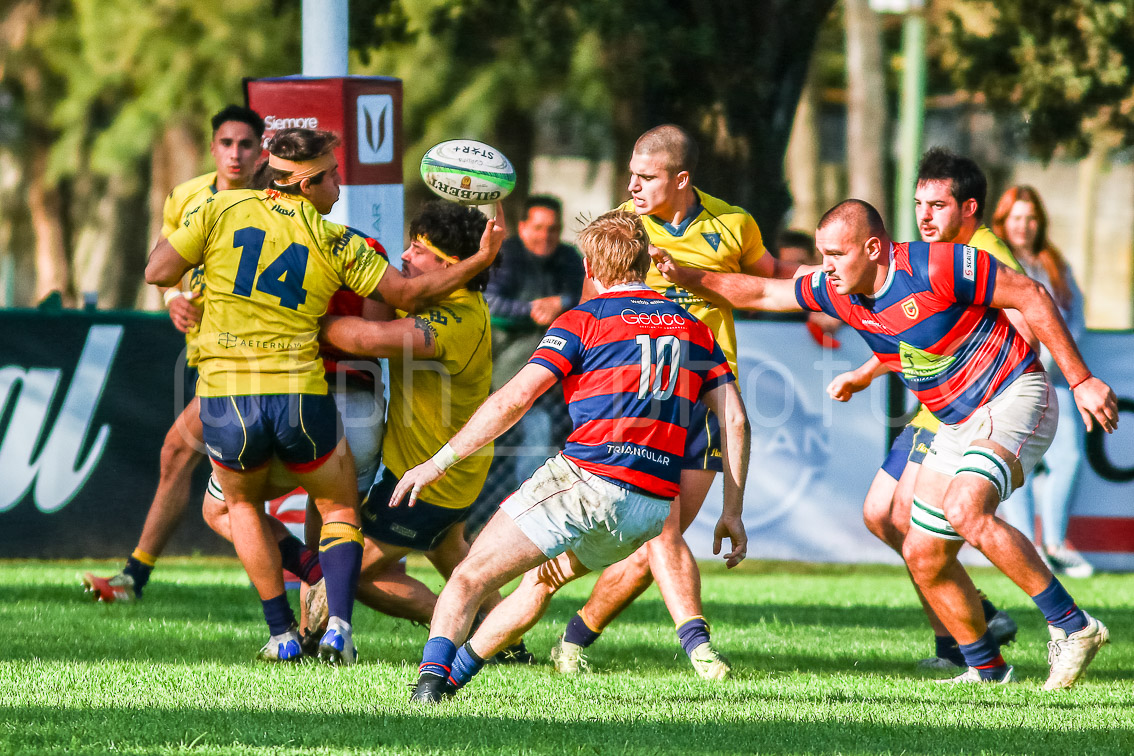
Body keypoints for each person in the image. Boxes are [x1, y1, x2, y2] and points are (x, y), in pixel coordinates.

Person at [654, 199, 1117, 689]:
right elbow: (764, 292)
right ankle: (988, 669)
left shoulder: (936, 265)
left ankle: (1073, 627)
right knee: (921, 552)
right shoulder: (837, 289)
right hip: (955, 420)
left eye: (835, 254)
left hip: (1013, 394)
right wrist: (686, 275)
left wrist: (1082, 378)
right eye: (821, 254)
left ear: (873, 248)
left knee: (965, 509)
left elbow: (1032, 294)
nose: (824, 266)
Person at [144, 127, 506, 664]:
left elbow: (157, 271)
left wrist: (243, 311)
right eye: (334, 172)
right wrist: (481, 260)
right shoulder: (340, 241)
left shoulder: (219, 209)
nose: (341, 180)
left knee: (233, 507)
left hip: (236, 395)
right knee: (342, 513)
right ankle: (343, 626)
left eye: (419, 248)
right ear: (309, 181)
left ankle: (287, 631)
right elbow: (399, 299)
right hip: (319, 405)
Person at [399, 209, 749, 703]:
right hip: (648, 510)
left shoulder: (584, 321)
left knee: (468, 577)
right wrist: (731, 511)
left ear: (589, 265)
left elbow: (513, 400)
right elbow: (734, 421)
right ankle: (451, 682)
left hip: (587, 483)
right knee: (537, 585)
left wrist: (436, 463)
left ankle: (427, 687)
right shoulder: (694, 328)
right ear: (646, 261)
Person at [552, 124, 783, 680]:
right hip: (643, 406)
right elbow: (592, 313)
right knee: (665, 534)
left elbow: (769, 283)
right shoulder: (622, 231)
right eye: (630, 174)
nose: (632, 185)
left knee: (649, 553)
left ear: (681, 179)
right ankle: (700, 647)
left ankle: (571, 641)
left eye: (645, 177)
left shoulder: (734, 225)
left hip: (704, 400)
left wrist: (824, 306)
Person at [834, 148, 1031, 670]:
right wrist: (866, 371)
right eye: (918, 203)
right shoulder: (919, 262)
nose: (923, 216)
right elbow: (918, 336)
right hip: (931, 408)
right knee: (880, 515)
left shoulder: (982, 251)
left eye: (936, 205)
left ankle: (967, 643)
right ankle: (975, 622)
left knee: (905, 517)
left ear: (968, 209)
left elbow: (1026, 315)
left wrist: (1008, 392)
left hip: (971, 406)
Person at [315, 200, 532, 661]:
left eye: (417, 249)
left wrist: (299, 322)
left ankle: (471, 632)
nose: (405, 257)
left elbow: (366, 340)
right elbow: (379, 317)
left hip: (431, 479)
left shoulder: (456, 318)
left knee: (348, 574)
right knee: (449, 548)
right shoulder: (436, 299)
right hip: (444, 469)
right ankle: (509, 643)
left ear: (449, 266)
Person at [82, 105, 264, 603]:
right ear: (212, 147)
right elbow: (162, 264)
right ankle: (317, 571)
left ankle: (134, 578)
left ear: (260, 151)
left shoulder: (274, 201)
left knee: (189, 462)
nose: (235, 153)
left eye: (245, 144)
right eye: (227, 143)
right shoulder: (186, 197)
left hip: (253, 361)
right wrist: (171, 298)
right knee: (212, 479)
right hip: (211, 357)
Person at [992, 186, 1092, 578]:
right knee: (1017, 464)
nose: (1024, 226)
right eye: (1016, 217)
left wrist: (1057, 356)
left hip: (1058, 379)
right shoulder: (996, 260)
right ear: (1003, 220)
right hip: (1010, 379)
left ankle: (1055, 542)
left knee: (1068, 458)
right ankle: (1026, 548)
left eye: (1030, 218)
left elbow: (1075, 318)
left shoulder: (1054, 264)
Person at [480, 195, 583, 499]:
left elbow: (590, 298)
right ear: (522, 227)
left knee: (537, 458)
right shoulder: (506, 255)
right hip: (502, 378)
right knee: (496, 460)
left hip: (554, 388)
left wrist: (561, 304)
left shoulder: (567, 257)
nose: (546, 236)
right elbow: (488, 303)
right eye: (538, 227)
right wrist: (532, 311)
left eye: (553, 229)